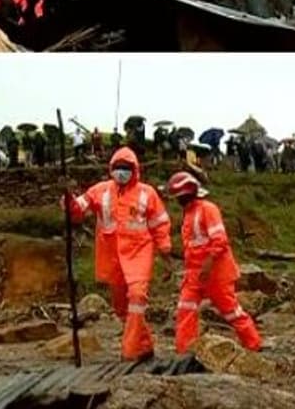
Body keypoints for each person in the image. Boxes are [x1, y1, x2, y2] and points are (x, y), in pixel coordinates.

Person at [65, 147, 173, 360]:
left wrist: (166, 253)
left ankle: (130, 350)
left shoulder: (147, 193)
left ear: (135, 170)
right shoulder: (100, 191)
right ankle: (145, 345)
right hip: (112, 256)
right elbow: (77, 211)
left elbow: (159, 224)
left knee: (137, 296)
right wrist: (67, 197)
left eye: (126, 168)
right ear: (111, 169)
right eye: (118, 168)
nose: (121, 172)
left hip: (139, 252)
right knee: (122, 307)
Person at [167, 171, 261, 355]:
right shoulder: (189, 213)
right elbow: (193, 246)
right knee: (185, 308)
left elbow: (219, 240)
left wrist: (208, 263)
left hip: (216, 272)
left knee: (231, 311)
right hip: (195, 273)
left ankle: (253, 343)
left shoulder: (207, 209)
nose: (177, 201)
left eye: (179, 197)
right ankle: (184, 350)